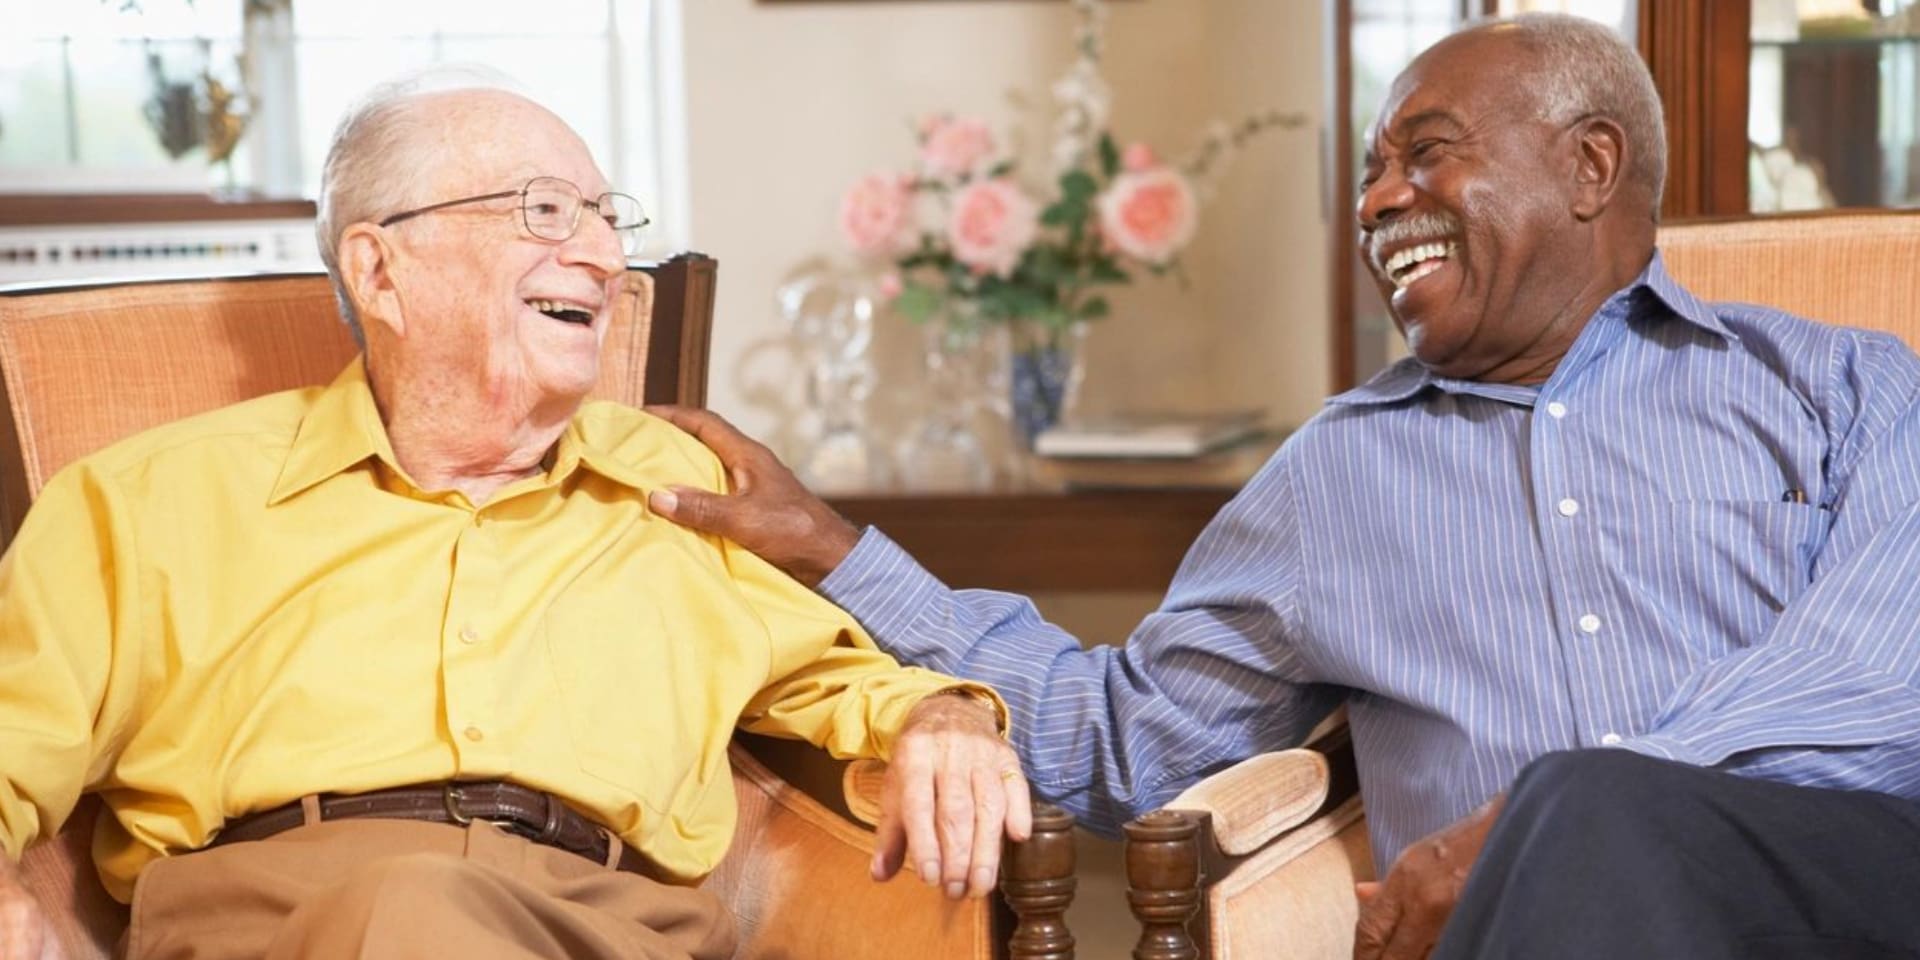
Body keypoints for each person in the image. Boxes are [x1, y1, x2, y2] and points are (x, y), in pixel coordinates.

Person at [645, 14, 1920, 959]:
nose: (1376, 201)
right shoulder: (1338, 476)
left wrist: (1519, 828)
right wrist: (831, 547)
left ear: (1591, 169)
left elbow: (1883, 676)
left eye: (1427, 153)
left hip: (1841, 895)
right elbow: (1128, 743)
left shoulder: (1850, 384)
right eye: (1371, 171)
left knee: (1589, 809)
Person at [0, 70, 1028, 960]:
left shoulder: (675, 487)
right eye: (544, 211)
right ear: (380, 269)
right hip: (272, 916)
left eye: (603, 218)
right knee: (405, 904)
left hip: (600, 922)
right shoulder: (147, 500)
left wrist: (944, 715)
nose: (603, 260)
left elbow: (844, 680)